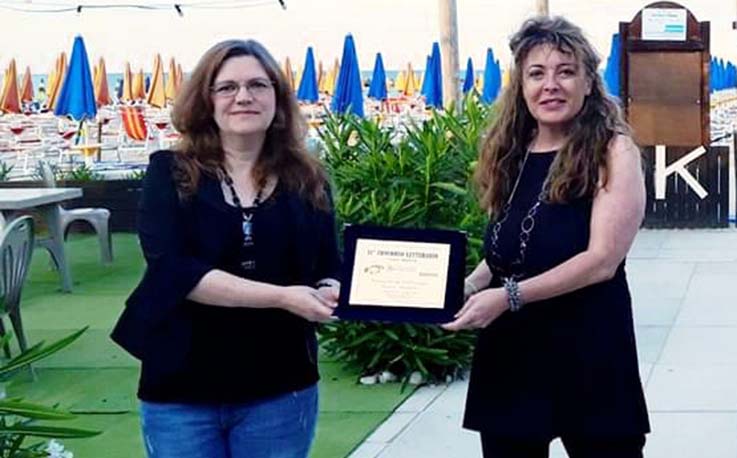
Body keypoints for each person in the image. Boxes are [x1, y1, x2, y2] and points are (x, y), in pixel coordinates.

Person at [111, 39, 341, 458]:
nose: (244, 96)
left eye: (258, 85)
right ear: (207, 100)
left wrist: (330, 287)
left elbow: (329, 263)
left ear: (277, 98)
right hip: (182, 385)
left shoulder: (308, 179)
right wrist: (282, 297)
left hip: (281, 382)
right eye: (227, 87)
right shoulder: (168, 173)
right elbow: (175, 271)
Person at [443, 16, 650, 458]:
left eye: (566, 71)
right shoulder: (510, 154)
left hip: (589, 347)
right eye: (536, 74)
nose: (550, 85)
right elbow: (506, 248)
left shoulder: (614, 151)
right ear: (521, 86)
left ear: (589, 83)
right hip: (511, 352)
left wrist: (508, 297)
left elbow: (601, 261)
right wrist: (469, 287)